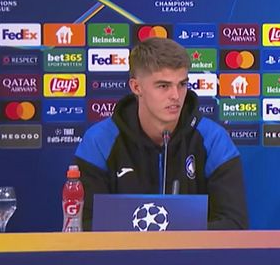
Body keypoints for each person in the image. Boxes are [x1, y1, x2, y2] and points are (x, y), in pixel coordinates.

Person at [74, 37, 248, 230]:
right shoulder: (99, 141)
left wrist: (175, 239)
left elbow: (234, 225)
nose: (176, 96)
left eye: (182, 84)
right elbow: (84, 225)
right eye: (163, 86)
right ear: (136, 87)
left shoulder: (213, 140)